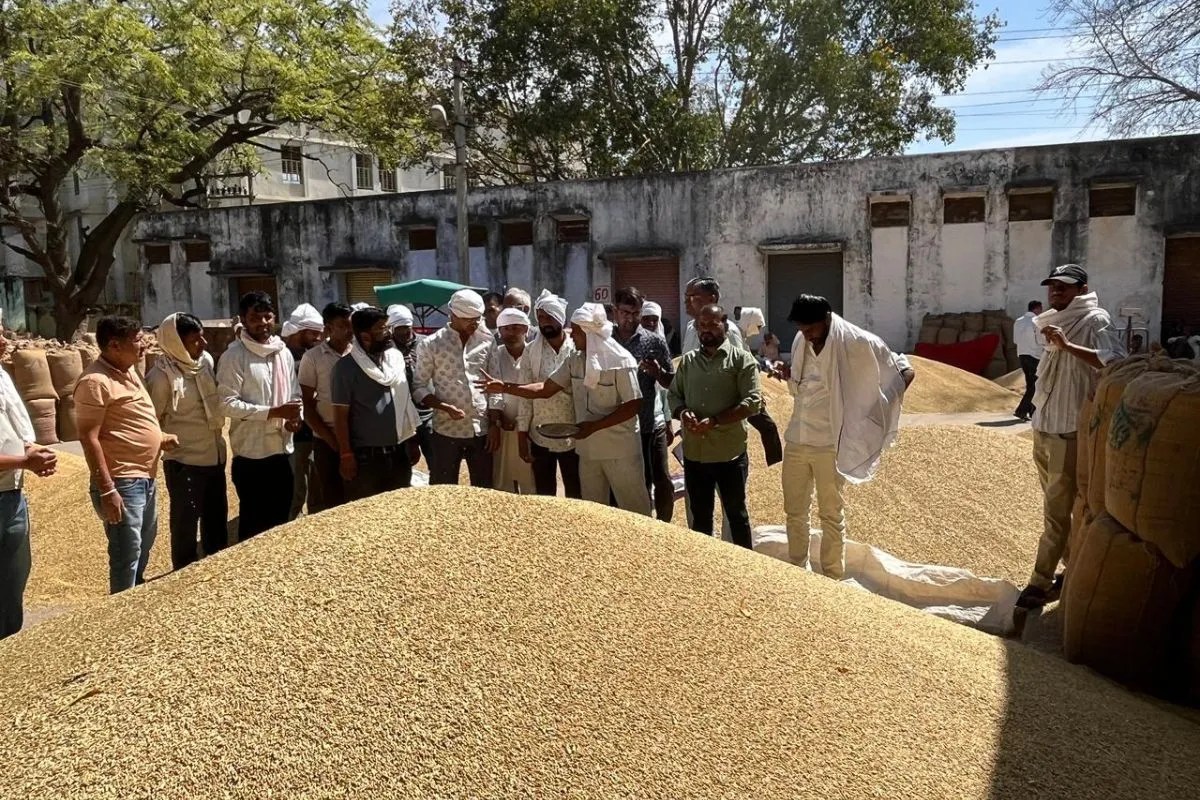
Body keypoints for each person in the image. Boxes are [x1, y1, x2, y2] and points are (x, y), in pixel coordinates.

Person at [781, 295, 914, 580]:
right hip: (797, 439)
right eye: (802, 329)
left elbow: (900, 369)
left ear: (826, 319)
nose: (806, 335)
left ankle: (832, 576)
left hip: (830, 444)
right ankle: (797, 572)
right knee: (794, 511)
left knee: (831, 514)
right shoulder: (801, 341)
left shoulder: (856, 342)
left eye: (811, 328)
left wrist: (879, 408)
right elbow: (800, 385)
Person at [1017, 264, 1126, 609]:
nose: (1056, 292)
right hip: (1044, 426)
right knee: (1057, 507)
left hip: (1068, 430)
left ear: (1081, 289)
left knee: (1056, 511)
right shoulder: (1053, 321)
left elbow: (1115, 361)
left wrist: (1067, 346)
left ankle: (1039, 583)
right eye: (1052, 286)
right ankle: (1071, 568)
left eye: (1064, 287)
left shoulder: (1095, 320)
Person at [479, 302, 650, 514]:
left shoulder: (621, 361)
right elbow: (545, 389)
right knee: (593, 511)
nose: (572, 335)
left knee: (633, 508)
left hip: (619, 449)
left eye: (576, 331)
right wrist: (504, 387)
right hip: (587, 450)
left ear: (590, 333)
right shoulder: (574, 360)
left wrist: (594, 427)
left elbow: (633, 405)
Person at [75, 316, 177, 593]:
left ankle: (134, 602)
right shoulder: (95, 381)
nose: (144, 345)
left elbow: (127, 420)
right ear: (114, 346)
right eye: (137, 340)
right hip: (122, 481)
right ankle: (120, 606)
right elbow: (88, 437)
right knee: (126, 553)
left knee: (143, 544)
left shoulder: (129, 371)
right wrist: (107, 489)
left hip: (145, 477)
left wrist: (159, 438)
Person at [668, 304, 761, 549]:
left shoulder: (742, 360)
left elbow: (753, 402)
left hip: (729, 454)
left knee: (736, 516)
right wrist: (683, 413)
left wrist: (715, 421)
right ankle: (704, 567)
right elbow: (674, 395)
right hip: (695, 455)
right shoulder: (688, 361)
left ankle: (744, 565)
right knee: (700, 520)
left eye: (712, 324)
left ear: (724, 323)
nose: (706, 330)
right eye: (702, 325)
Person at [217, 292, 303, 540]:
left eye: (268, 317)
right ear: (243, 320)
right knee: (254, 525)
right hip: (252, 454)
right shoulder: (234, 356)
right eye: (256, 318)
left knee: (281, 522)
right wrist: (272, 413)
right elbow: (226, 404)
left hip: (283, 449)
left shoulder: (282, 352)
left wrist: (295, 418)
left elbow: (294, 393)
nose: (263, 323)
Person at [146, 313, 228, 569]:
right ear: (176, 344)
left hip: (215, 456)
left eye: (202, 337)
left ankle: (215, 571)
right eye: (195, 340)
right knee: (185, 525)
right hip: (185, 462)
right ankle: (183, 575)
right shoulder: (161, 377)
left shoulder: (205, 362)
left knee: (216, 521)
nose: (203, 343)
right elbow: (152, 420)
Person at [683, 277, 782, 466]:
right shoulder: (689, 329)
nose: (687, 301)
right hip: (699, 400)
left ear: (712, 298)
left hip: (728, 400)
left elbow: (742, 364)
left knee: (763, 429)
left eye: (693, 297)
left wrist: (754, 392)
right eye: (686, 297)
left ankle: (775, 468)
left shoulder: (728, 331)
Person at [0, 326, 56, 638]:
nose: (4, 341)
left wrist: (30, 450)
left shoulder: (3, 377)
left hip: (12, 495)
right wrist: (24, 461)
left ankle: (10, 648)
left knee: (13, 579)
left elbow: (14, 430)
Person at [332, 307, 422, 500]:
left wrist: (412, 441)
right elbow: (340, 416)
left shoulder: (395, 360)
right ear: (365, 336)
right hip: (367, 459)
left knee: (399, 507)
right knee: (367, 511)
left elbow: (405, 402)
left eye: (388, 327)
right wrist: (346, 455)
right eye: (382, 328)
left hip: (399, 451)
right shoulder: (345, 368)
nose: (388, 333)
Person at [412, 289, 496, 486]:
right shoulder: (431, 344)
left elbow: (495, 386)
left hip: (481, 429)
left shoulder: (487, 340)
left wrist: (494, 424)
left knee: (484, 488)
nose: (474, 323)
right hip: (446, 429)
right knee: (443, 487)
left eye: (477, 318)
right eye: (468, 319)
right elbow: (419, 387)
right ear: (453, 315)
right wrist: (444, 407)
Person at [613, 287, 676, 521]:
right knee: (625, 483)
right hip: (615, 425)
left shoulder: (654, 341)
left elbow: (672, 382)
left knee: (658, 479)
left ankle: (662, 527)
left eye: (635, 313)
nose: (630, 319)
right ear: (615, 312)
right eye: (625, 313)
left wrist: (657, 373)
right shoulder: (605, 339)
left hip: (648, 424)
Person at [518, 290, 580, 498]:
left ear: (560, 318)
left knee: (576, 494)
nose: (544, 322)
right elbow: (525, 394)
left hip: (574, 435)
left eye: (549, 317)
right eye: (541, 317)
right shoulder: (531, 351)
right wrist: (522, 436)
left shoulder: (576, 348)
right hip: (540, 435)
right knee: (545, 495)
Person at [298, 302, 353, 513]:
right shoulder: (312, 358)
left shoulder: (359, 354)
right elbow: (306, 405)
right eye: (343, 325)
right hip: (327, 442)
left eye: (351, 325)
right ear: (328, 328)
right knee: (333, 502)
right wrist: (332, 441)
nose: (350, 330)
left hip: (358, 438)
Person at [281, 303, 325, 519]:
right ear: (299, 332)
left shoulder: (313, 355)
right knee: (297, 488)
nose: (318, 337)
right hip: (294, 433)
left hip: (315, 429)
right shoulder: (282, 356)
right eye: (313, 332)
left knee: (317, 484)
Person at [487, 307, 537, 493]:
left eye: (516, 328)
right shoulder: (495, 355)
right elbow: (491, 391)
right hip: (503, 427)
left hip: (531, 428)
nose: (511, 333)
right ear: (499, 332)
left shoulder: (535, 354)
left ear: (526, 329)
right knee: (501, 481)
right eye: (506, 329)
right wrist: (499, 419)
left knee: (531, 483)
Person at [389, 304, 433, 466]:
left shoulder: (426, 343)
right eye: (399, 329)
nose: (404, 333)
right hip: (401, 414)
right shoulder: (387, 348)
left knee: (436, 461)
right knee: (405, 463)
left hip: (428, 411)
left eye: (406, 328)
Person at [1013, 300, 1044, 421]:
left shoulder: (1018, 321)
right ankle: (1021, 410)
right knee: (1035, 385)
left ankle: (1032, 411)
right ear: (1037, 309)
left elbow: (1015, 340)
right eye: (1041, 309)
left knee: (1031, 384)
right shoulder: (1037, 321)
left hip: (1022, 354)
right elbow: (1040, 340)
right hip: (1034, 355)